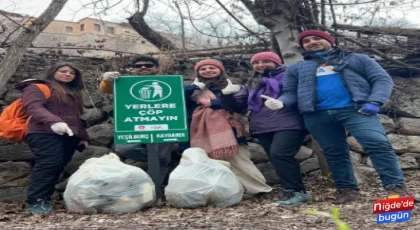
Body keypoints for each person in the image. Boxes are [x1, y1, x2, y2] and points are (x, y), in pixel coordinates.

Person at [267, 29, 418, 204]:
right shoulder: (297, 68)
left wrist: (375, 102)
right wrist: (282, 102)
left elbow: (382, 80)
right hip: (317, 114)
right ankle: (347, 191)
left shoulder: (358, 59)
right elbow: (290, 92)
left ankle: (396, 189)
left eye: (317, 38)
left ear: (329, 40)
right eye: (306, 41)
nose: (311, 42)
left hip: (356, 110)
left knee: (377, 144)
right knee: (334, 152)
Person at [219, 52, 309, 205]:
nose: (260, 65)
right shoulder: (252, 82)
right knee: (276, 158)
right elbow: (236, 106)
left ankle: (297, 192)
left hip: (289, 122)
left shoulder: (289, 76)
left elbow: (295, 94)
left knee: (280, 154)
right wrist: (227, 95)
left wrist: (283, 102)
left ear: (276, 62)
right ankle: (290, 193)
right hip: (261, 126)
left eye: (266, 61)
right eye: (256, 62)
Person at [180, 58, 272, 195]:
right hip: (199, 133)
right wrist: (192, 87)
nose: (208, 71)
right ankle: (215, 195)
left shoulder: (231, 86)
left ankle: (260, 190)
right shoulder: (190, 89)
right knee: (203, 165)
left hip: (229, 131)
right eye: (203, 69)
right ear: (197, 72)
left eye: (212, 68)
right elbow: (177, 101)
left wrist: (214, 103)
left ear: (220, 70)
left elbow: (240, 105)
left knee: (239, 162)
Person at [98, 56, 177, 203]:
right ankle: (161, 162)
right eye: (139, 65)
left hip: (165, 124)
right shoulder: (123, 83)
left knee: (161, 157)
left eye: (149, 65)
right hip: (133, 124)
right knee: (125, 149)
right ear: (133, 69)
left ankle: (154, 194)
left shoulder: (170, 82)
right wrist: (106, 79)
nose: (144, 67)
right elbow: (107, 89)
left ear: (157, 68)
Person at [15, 63, 89, 214]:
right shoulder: (37, 87)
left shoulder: (72, 92)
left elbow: (75, 117)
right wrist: (54, 121)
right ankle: (36, 202)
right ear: (52, 72)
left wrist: (82, 136)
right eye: (63, 71)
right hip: (43, 132)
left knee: (57, 167)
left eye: (72, 72)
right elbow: (34, 107)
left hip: (69, 135)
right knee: (49, 164)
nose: (68, 74)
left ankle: (44, 200)